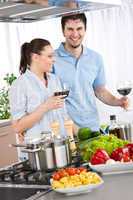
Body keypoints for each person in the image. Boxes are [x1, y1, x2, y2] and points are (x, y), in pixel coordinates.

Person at [53, 13, 129, 132]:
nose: (75, 34)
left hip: (91, 128)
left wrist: (118, 102)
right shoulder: (51, 59)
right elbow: (48, 98)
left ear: (85, 30)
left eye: (79, 29)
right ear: (63, 31)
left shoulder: (95, 58)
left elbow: (100, 91)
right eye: (70, 29)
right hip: (65, 129)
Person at [9, 38, 68, 152]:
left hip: (60, 148)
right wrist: (46, 106)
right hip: (37, 153)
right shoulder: (20, 84)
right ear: (35, 57)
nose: (53, 60)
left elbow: (64, 116)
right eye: (49, 56)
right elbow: (17, 127)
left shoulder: (55, 80)